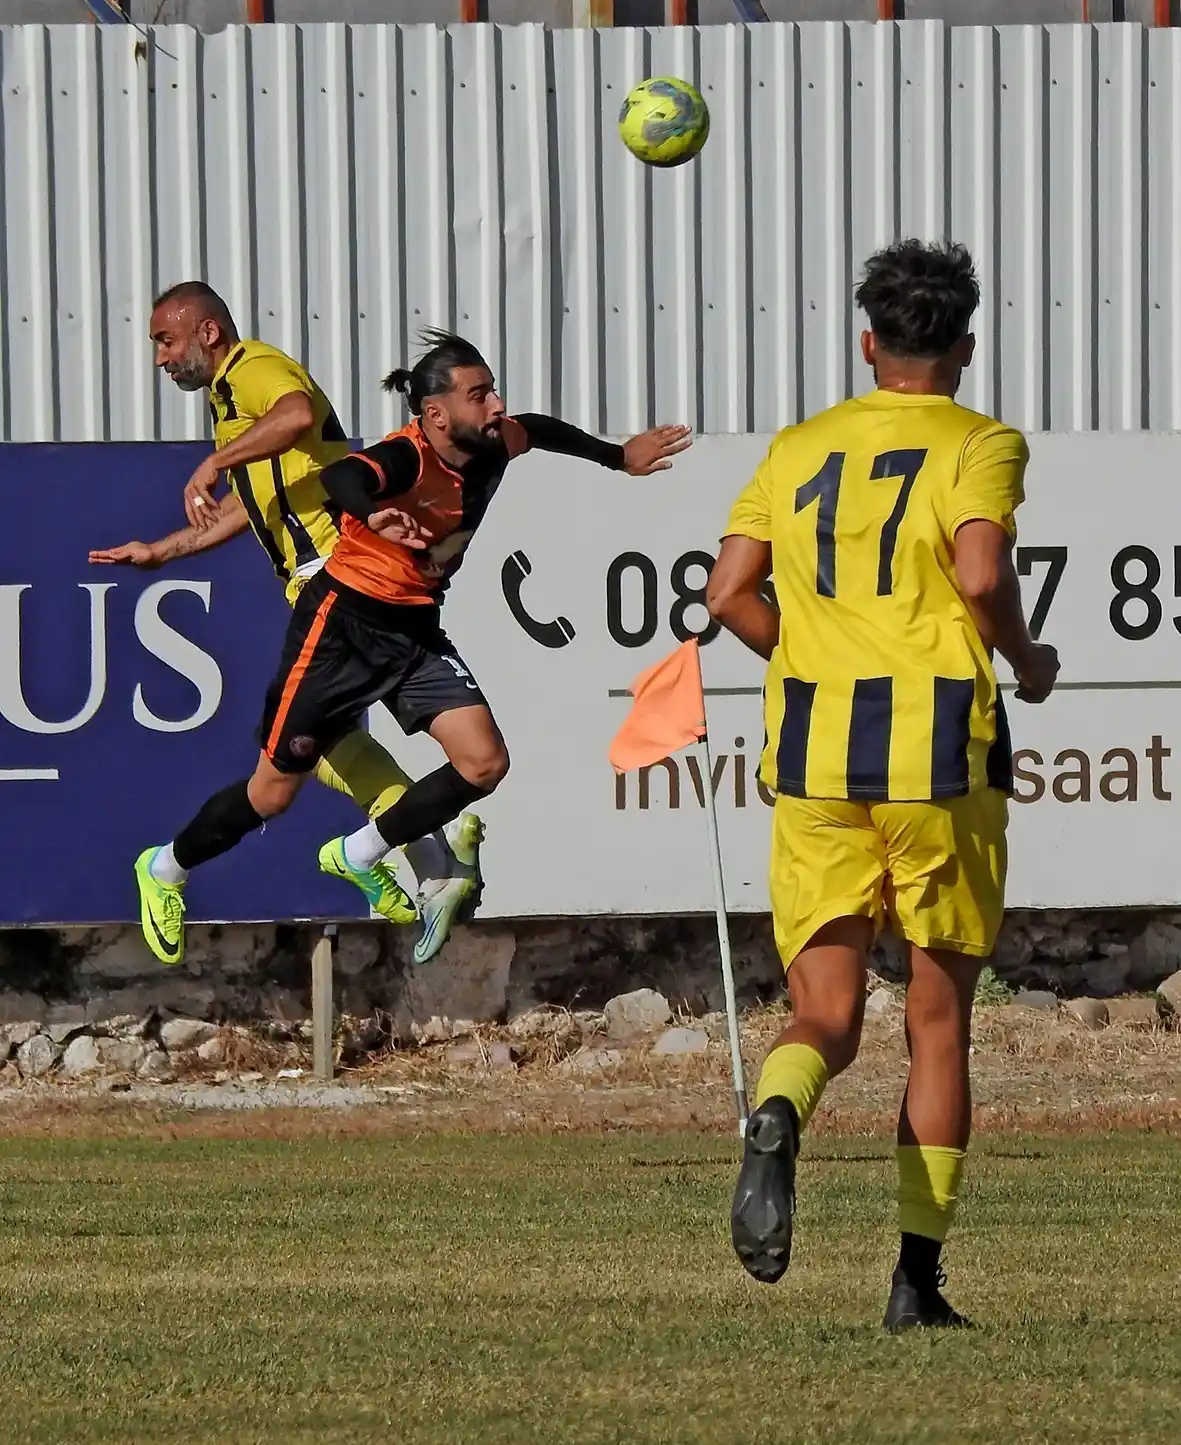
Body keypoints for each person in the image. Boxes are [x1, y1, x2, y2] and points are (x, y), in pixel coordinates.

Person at [706, 240, 1059, 1331]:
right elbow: (978, 572)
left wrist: (805, 657)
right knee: (936, 1016)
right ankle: (914, 1282)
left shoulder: (799, 443)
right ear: (961, 346)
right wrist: (1025, 656)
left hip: (813, 754)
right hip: (937, 752)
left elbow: (726, 593)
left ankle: (775, 1110)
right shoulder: (978, 440)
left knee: (822, 1012)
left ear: (867, 343)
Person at [133, 328, 692, 966]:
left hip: (415, 628)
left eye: (492, 391)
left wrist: (618, 457)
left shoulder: (495, 443)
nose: (497, 405)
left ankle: (360, 854)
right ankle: (167, 867)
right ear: (435, 415)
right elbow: (346, 475)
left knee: (485, 763)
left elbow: (538, 428)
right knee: (272, 794)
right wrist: (369, 514)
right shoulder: (407, 455)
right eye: (479, 396)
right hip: (341, 626)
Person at [91, 283, 480, 963]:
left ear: (207, 332)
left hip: (347, 582)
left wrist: (214, 461)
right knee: (316, 761)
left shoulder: (252, 370)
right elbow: (258, 504)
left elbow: (297, 412)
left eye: (166, 340)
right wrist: (166, 549)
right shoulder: (226, 402)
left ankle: (416, 857)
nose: (160, 358)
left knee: (298, 772)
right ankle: (425, 857)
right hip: (348, 588)